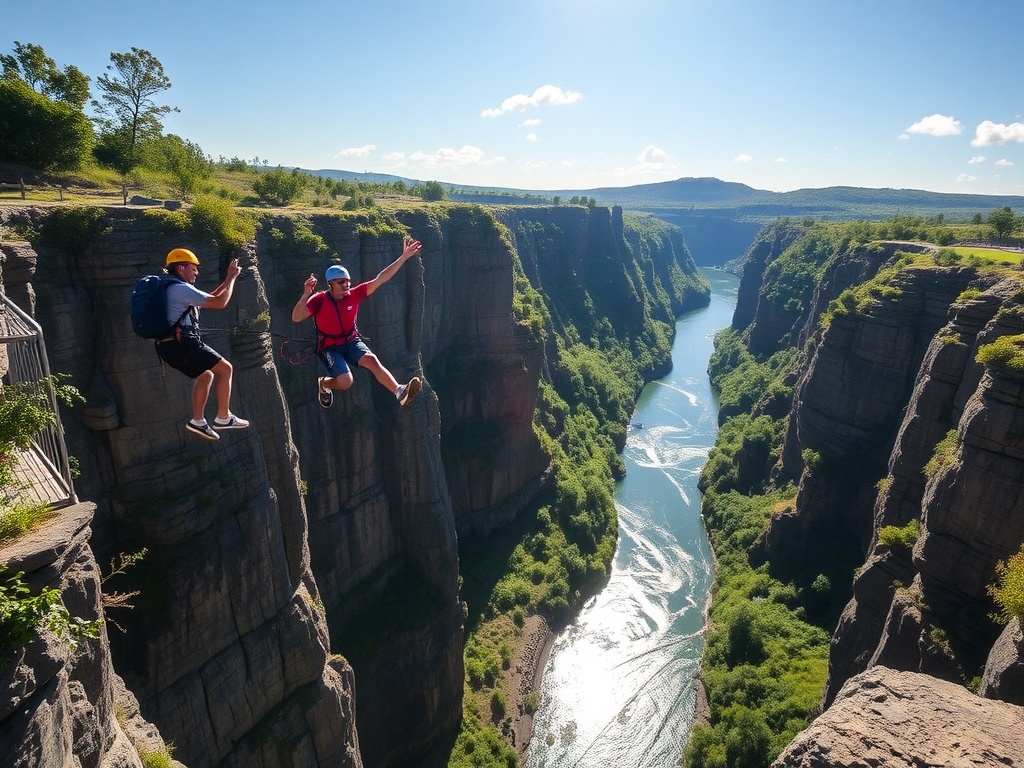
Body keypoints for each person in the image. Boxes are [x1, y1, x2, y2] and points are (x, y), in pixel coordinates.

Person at [291, 236, 423, 409]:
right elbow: (296, 317)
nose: (346, 285)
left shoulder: (355, 294)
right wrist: (305, 296)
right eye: (341, 282)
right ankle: (324, 383)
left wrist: (404, 257)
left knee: (371, 360)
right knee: (346, 381)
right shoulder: (319, 300)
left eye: (347, 281)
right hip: (330, 347)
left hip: (351, 341)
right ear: (330, 284)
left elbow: (381, 278)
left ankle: (399, 391)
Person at [155, 248, 249, 440]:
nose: (197, 272)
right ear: (181, 268)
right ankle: (223, 417)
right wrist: (232, 279)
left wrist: (227, 279)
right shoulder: (181, 289)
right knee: (225, 369)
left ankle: (197, 421)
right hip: (183, 344)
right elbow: (220, 302)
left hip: (167, 347)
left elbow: (211, 297)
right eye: (193, 268)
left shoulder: (171, 287)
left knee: (205, 375)